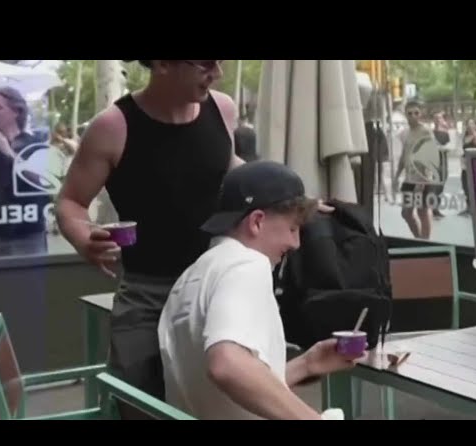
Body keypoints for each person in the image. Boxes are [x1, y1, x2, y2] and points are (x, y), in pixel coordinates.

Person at [56, 60, 331, 418]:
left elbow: (228, 168)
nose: (217, 73)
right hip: (147, 295)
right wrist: (82, 235)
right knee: (139, 405)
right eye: (205, 63)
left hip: (212, 282)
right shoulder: (113, 126)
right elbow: (70, 201)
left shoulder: (222, 109)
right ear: (163, 64)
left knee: (228, 395)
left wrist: (290, 207)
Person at [158, 161, 361, 420]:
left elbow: (221, 393)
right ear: (257, 222)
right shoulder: (247, 264)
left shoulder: (192, 276)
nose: (296, 243)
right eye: (292, 227)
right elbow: (228, 365)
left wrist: (307, 364)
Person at [0, 86, 49, 256]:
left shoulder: (34, 142)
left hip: (29, 233)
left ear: (16, 111)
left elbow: (42, 180)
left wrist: (9, 153)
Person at [395, 100, 435, 239]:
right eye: (409, 113)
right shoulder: (404, 133)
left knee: (422, 211)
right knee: (406, 213)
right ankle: (418, 238)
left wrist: (424, 179)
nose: (413, 116)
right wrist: (396, 176)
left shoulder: (425, 131)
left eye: (416, 113)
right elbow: (403, 155)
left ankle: (426, 242)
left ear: (420, 114)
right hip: (409, 178)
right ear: (405, 115)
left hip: (423, 177)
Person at [459, 118, 476, 215]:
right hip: (464, 164)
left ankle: (474, 208)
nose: (469, 126)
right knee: (465, 185)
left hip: (472, 164)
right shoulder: (465, 136)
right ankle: (468, 207)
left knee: (471, 185)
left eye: (471, 124)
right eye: (467, 124)